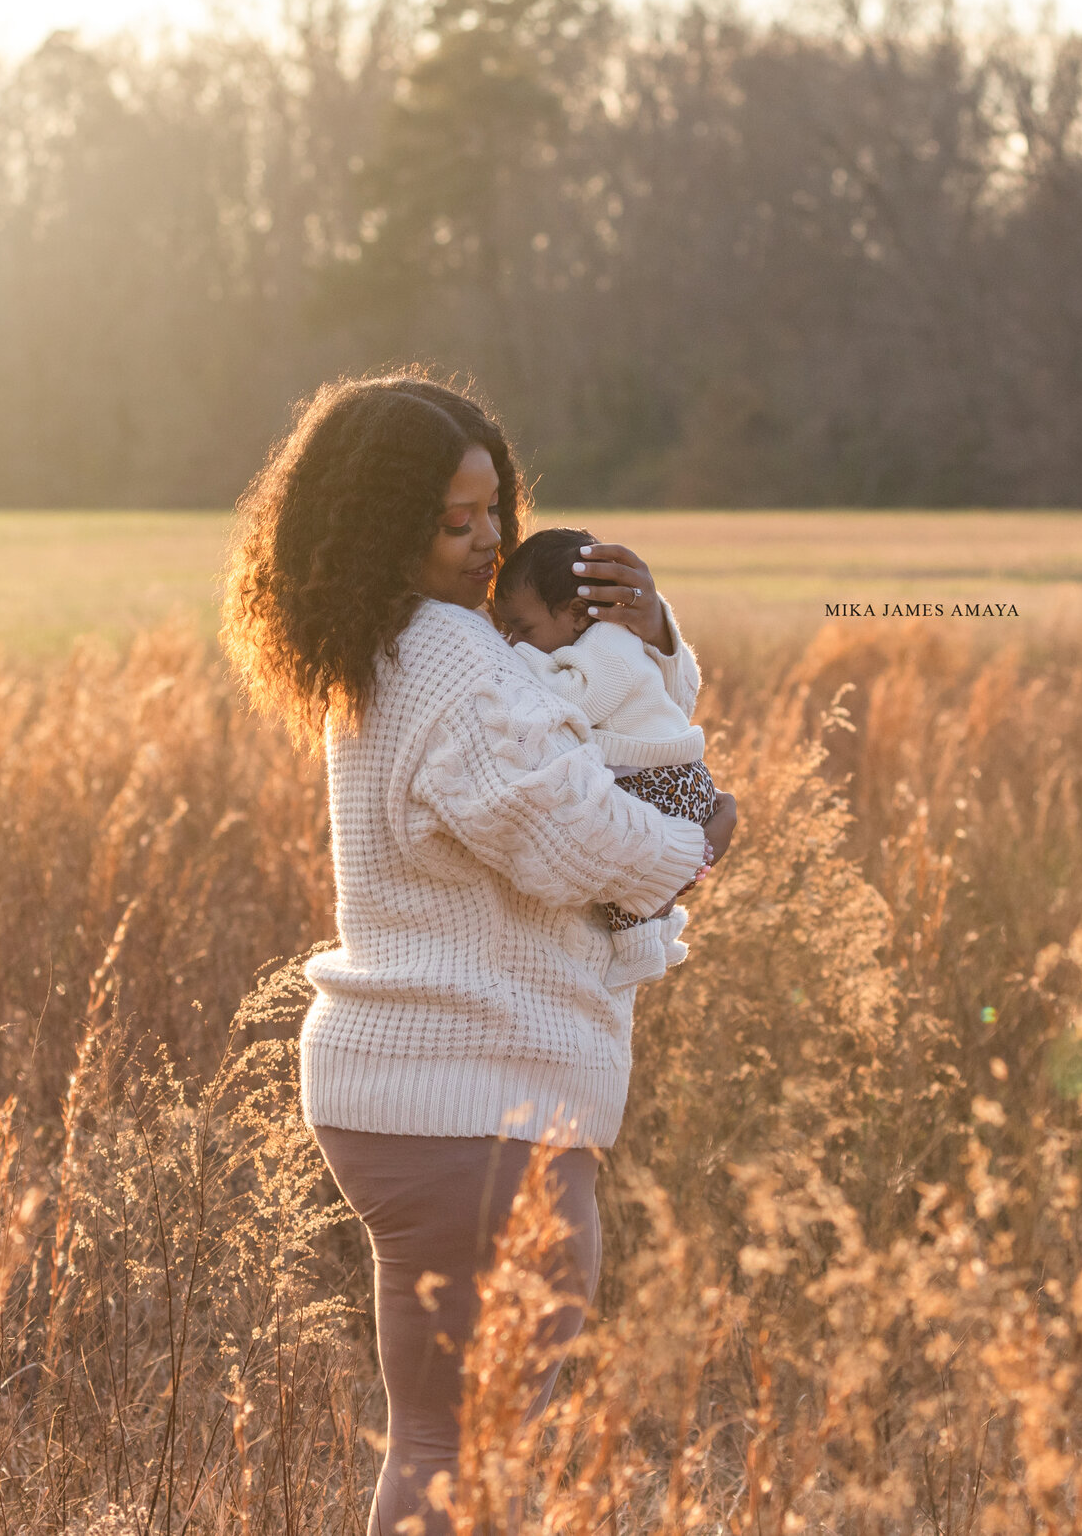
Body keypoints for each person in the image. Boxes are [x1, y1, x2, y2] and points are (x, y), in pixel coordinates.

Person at [220, 373, 740, 1536]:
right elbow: (571, 831)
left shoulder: (392, 647)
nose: (484, 541)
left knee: (447, 1444)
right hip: (478, 1101)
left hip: (425, 1101)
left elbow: (575, 713)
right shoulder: (450, 657)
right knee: (484, 1456)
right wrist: (698, 840)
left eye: (491, 510)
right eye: (451, 523)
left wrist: (649, 638)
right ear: (377, 527)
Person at [493, 526, 725, 932]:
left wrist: (516, 658)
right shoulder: (583, 642)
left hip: (663, 779)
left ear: (579, 614)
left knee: (634, 898)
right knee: (631, 904)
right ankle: (644, 949)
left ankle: (646, 951)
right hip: (657, 775)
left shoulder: (611, 641)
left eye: (524, 630)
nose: (513, 641)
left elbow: (577, 700)